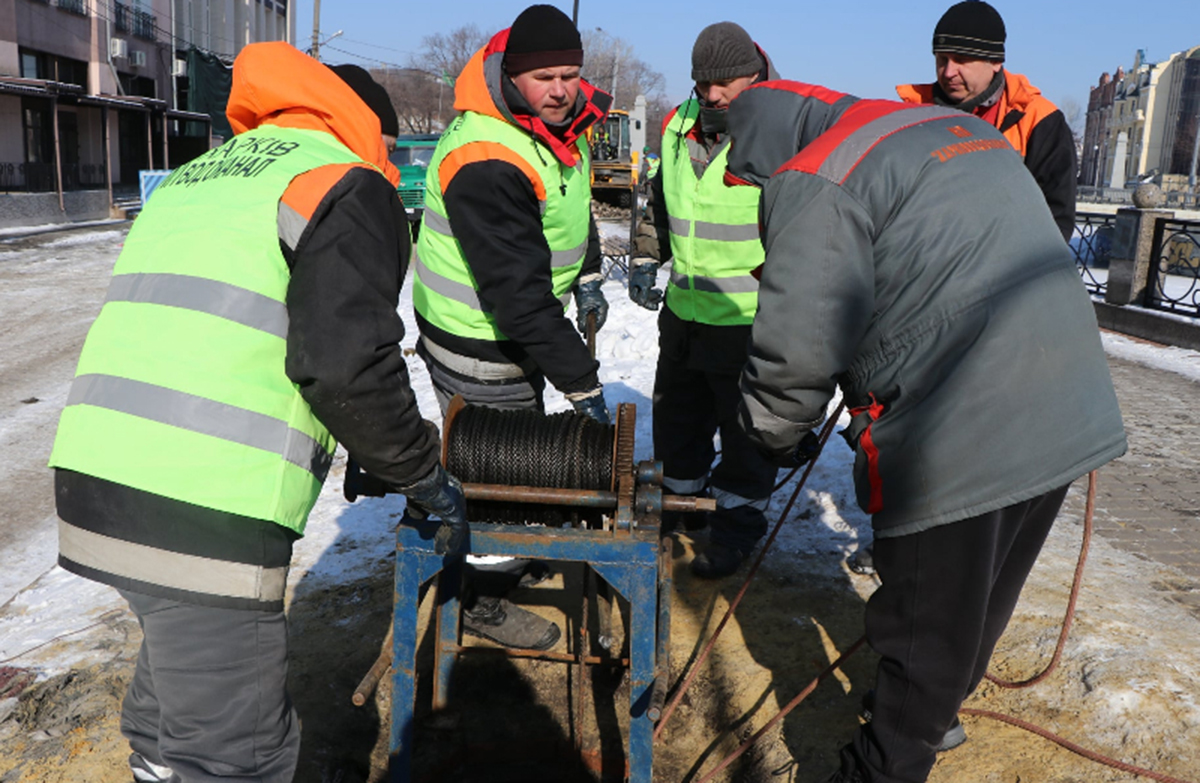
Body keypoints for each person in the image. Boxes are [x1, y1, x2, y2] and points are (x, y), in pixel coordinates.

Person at [47, 44, 465, 783]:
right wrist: (424, 471)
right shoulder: (344, 178)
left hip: (99, 474)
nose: (394, 167)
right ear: (374, 132)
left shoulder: (205, 172)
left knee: (170, 708)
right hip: (201, 502)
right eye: (393, 151)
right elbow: (344, 362)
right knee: (237, 756)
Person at [723, 79, 1127, 783]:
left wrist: (770, 434)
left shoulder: (816, 173)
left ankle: (884, 764)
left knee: (921, 622)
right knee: (976, 602)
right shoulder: (939, 129)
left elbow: (797, 343)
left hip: (961, 426)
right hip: (1068, 395)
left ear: (767, 150)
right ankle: (933, 715)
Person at [412, 5, 611, 648]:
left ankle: (508, 547)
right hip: (478, 338)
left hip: (516, 328)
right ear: (512, 77)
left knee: (517, 460)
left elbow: (567, 207)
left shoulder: (559, 125)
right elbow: (518, 297)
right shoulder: (486, 156)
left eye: (570, 74)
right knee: (499, 478)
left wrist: (586, 275)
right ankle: (482, 597)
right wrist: (582, 382)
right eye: (545, 77)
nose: (561, 89)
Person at [626, 22, 779, 579]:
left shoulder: (782, 131)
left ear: (754, 76)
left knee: (744, 439)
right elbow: (662, 202)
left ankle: (736, 533)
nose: (712, 95)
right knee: (677, 424)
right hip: (684, 316)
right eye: (702, 83)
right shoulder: (677, 124)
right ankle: (680, 515)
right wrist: (647, 255)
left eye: (724, 84)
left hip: (748, 320)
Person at [897, 0, 1077, 241]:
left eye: (961, 59)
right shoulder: (909, 116)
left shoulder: (1040, 121)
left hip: (1005, 272)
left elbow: (1056, 221)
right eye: (942, 59)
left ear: (995, 62)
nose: (948, 72)